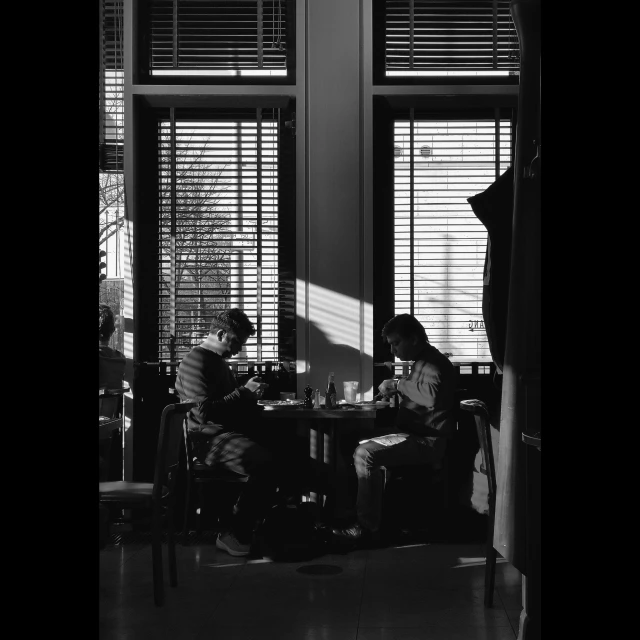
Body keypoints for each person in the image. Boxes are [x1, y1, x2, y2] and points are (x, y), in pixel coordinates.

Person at [332, 313, 456, 545]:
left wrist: (398, 385)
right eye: (390, 344)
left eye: (396, 343)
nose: (393, 350)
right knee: (351, 439)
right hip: (412, 433)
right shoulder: (422, 362)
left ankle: (367, 528)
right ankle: (362, 509)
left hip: (427, 440)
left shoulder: (432, 363)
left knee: (365, 452)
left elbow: (430, 397)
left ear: (415, 339)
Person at [175, 308, 278, 557]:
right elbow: (204, 412)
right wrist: (243, 393)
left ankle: (263, 527)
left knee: (287, 450)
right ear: (221, 334)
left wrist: (248, 396)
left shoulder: (218, 363)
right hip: (206, 440)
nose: (238, 349)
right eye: (237, 342)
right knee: (264, 463)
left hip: (224, 435)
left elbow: (227, 406)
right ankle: (235, 532)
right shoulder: (195, 361)